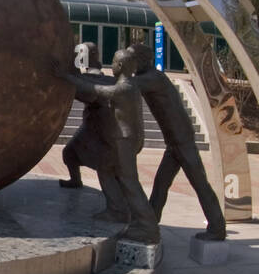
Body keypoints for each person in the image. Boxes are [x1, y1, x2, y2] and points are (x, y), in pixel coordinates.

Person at [51, 48, 159, 244]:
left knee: (129, 182)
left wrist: (65, 76)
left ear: (119, 66)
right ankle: (119, 211)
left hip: (125, 140)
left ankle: (147, 226)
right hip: (128, 138)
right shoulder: (130, 84)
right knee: (108, 169)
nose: (113, 65)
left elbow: (96, 90)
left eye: (115, 63)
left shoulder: (123, 88)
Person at [129, 48, 227, 241]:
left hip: (182, 141)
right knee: (161, 184)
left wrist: (81, 79)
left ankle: (217, 228)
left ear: (141, 60)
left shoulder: (152, 78)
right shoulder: (151, 76)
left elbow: (123, 86)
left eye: (131, 60)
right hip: (175, 141)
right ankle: (149, 221)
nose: (129, 64)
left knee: (200, 185)